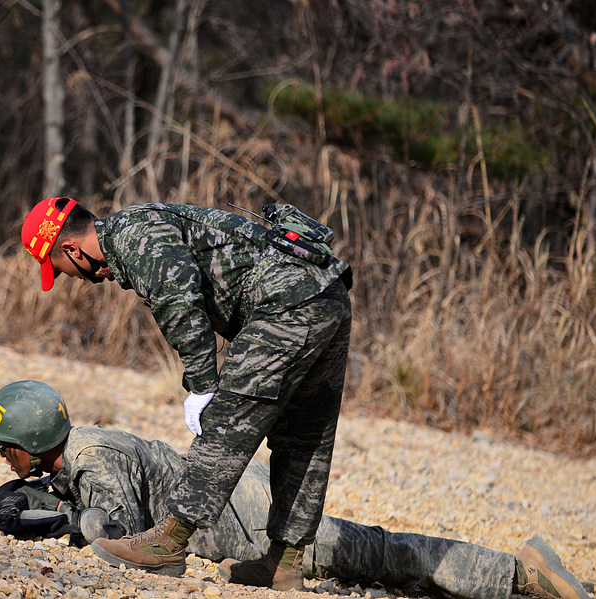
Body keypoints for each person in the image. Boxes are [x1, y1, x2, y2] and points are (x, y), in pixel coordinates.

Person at [0, 381, 590, 599]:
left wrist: (52, 521)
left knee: (377, 554)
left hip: (258, 520)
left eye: (6, 443)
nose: (4, 454)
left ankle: (519, 574)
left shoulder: (91, 457)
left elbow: (113, 533)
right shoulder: (79, 450)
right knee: (376, 560)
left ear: (32, 435)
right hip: (249, 504)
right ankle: (509, 576)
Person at [20, 197, 353, 590]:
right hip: (327, 297)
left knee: (227, 423)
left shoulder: (133, 237)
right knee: (304, 436)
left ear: (71, 249)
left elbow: (180, 302)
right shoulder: (142, 224)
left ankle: (169, 541)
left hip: (286, 305)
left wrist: (202, 385)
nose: (71, 278)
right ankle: (285, 561)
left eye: (60, 270)